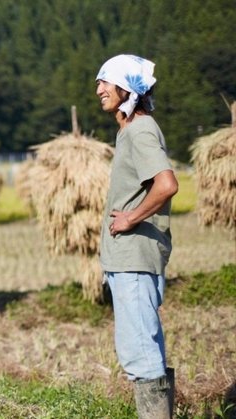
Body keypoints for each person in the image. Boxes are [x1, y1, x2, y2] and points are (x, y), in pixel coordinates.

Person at [96, 54, 178, 418]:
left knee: (140, 355)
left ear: (127, 87)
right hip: (128, 259)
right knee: (146, 349)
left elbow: (167, 183)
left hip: (134, 258)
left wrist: (131, 218)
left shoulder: (141, 129)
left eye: (105, 82)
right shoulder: (130, 129)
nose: (98, 89)